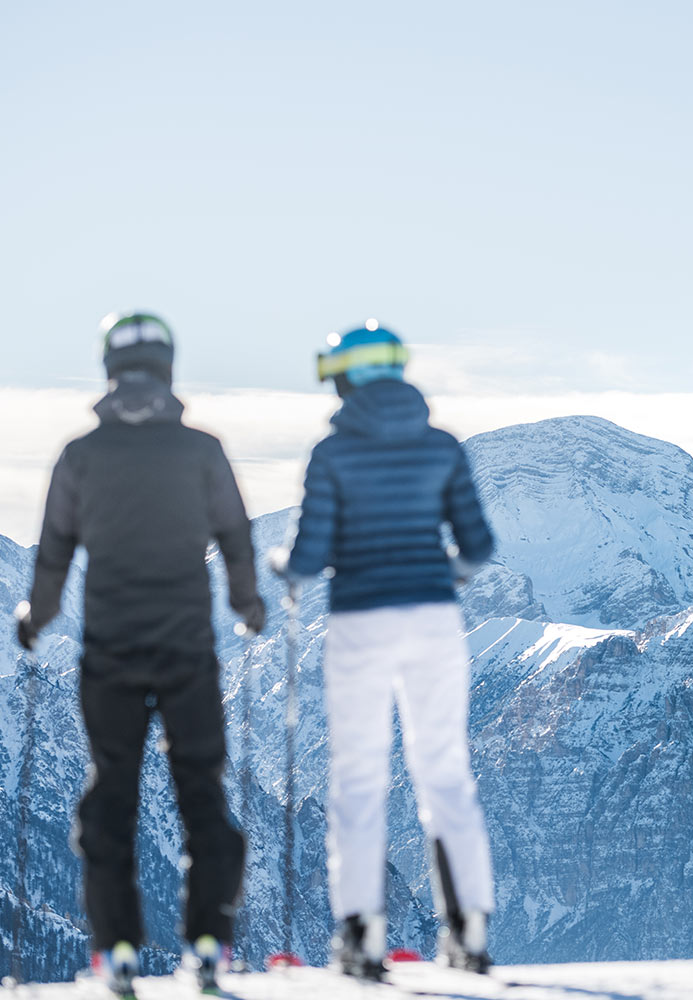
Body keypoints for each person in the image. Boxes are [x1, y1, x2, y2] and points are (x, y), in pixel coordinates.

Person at [16, 312, 265, 997]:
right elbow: (237, 537)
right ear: (168, 368)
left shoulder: (79, 456)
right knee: (202, 793)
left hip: (111, 653)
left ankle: (117, 948)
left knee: (112, 797)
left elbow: (55, 553)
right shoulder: (203, 451)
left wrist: (35, 619)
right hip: (188, 649)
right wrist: (249, 607)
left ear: (108, 370)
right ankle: (210, 940)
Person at [272, 320, 495, 978]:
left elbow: (309, 558)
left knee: (359, 778)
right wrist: (437, 575)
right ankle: (471, 931)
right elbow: (478, 547)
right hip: (434, 620)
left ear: (345, 377)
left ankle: (362, 939)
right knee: (445, 772)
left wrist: (283, 564)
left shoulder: (332, 453)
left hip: (360, 623)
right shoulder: (443, 447)